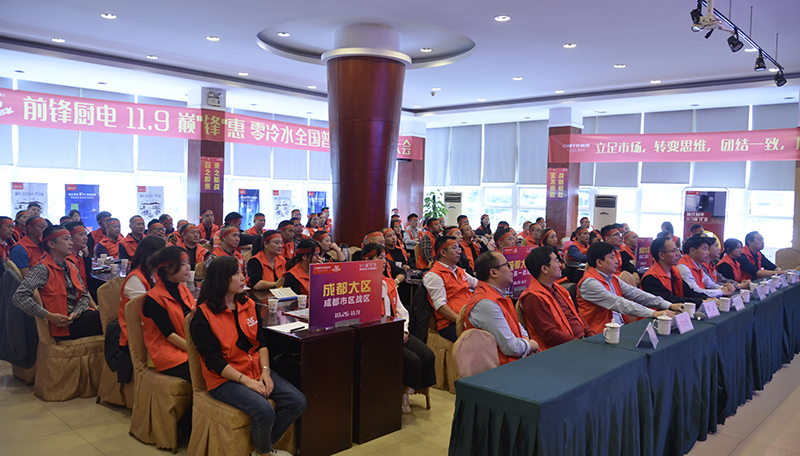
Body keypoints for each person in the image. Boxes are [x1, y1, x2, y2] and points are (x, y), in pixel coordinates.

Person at [190, 256, 305, 456]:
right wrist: (247, 382)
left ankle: (261, 447)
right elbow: (214, 362)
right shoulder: (202, 316)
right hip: (224, 379)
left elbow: (261, 342)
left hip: (254, 369)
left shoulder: (248, 304)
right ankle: (265, 453)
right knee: (264, 410)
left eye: (241, 272)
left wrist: (265, 372)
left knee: (297, 402)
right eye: (236, 273)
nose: (243, 278)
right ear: (221, 279)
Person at [360, 244, 436, 413]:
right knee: (412, 360)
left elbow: (401, 310)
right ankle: (402, 392)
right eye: (379, 258)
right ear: (366, 260)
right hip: (378, 335)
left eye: (384, 257)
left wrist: (404, 330)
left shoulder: (389, 283)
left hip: (397, 330)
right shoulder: (359, 286)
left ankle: (409, 388)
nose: (384, 261)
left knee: (427, 355)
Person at [12, 225, 101, 340]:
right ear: (51, 244)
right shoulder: (42, 268)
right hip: (60, 325)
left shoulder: (71, 266)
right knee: (108, 318)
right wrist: (48, 316)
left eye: (70, 239)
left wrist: (76, 313)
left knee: (110, 317)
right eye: (66, 239)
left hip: (75, 317)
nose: (71, 243)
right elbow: (19, 297)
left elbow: (84, 295)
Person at [577, 242, 680, 334]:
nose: (616, 261)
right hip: (600, 334)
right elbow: (619, 303)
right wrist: (653, 313)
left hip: (618, 329)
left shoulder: (612, 278)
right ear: (599, 262)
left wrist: (669, 305)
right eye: (612, 258)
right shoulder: (589, 283)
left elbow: (635, 293)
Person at [464, 251, 538, 362]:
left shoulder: (500, 295)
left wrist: (526, 343)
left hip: (514, 359)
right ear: (493, 273)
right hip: (498, 366)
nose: (512, 269)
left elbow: (517, 326)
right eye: (507, 265)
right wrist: (531, 345)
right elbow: (510, 347)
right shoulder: (486, 303)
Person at [519, 247, 595, 350]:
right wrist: (578, 343)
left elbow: (575, 315)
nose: (560, 265)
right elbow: (549, 334)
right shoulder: (533, 297)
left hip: (579, 342)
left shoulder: (559, 289)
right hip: (561, 349)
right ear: (544, 269)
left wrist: (591, 335)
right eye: (556, 261)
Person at [140, 246, 195, 385]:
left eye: (188, 263)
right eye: (182, 264)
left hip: (187, 345)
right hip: (167, 353)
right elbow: (170, 335)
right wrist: (195, 350)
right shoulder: (154, 299)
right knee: (207, 370)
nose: (188, 267)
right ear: (168, 268)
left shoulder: (182, 289)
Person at [423, 236, 478, 342]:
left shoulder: (459, 271)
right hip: (451, 324)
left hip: (473, 316)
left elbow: (478, 284)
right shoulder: (434, 275)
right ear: (443, 252)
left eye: (459, 248)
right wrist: (462, 322)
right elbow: (441, 306)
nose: (459, 251)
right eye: (454, 248)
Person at [119, 236, 167, 349]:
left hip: (152, 326)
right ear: (151, 255)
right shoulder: (136, 278)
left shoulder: (154, 273)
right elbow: (143, 313)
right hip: (138, 332)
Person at [641, 237, 708, 306]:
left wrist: (706, 298)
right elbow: (669, 300)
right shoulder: (650, 277)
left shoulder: (674, 272)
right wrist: (701, 301)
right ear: (661, 255)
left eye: (677, 250)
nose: (678, 254)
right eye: (674, 251)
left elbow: (688, 292)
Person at [64, 221, 91, 287]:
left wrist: (86, 255)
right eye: (81, 235)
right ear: (69, 238)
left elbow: (87, 273)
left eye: (85, 234)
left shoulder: (78, 257)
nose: (86, 238)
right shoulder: (66, 260)